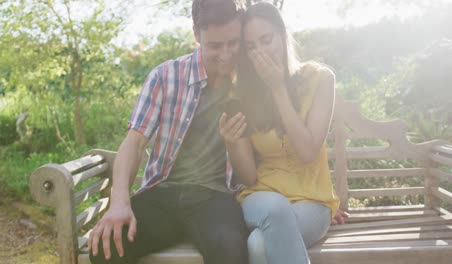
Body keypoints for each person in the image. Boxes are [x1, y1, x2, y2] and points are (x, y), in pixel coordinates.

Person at [88, 0, 249, 263]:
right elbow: (135, 143)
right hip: (163, 192)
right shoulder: (165, 77)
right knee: (105, 248)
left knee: (231, 251)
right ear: (196, 34)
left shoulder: (248, 80)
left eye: (233, 42)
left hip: (216, 197)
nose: (226, 54)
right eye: (215, 45)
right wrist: (119, 202)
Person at [219, 3, 347, 264]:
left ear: (283, 34)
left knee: (257, 245)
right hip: (259, 199)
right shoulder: (240, 93)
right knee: (275, 209)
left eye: (266, 40)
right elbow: (249, 176)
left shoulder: (320, 79)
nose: (260, 53)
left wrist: (277, 89)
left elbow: (308, 152)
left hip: (313, 201)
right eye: (251, 47)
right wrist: (232, 144)